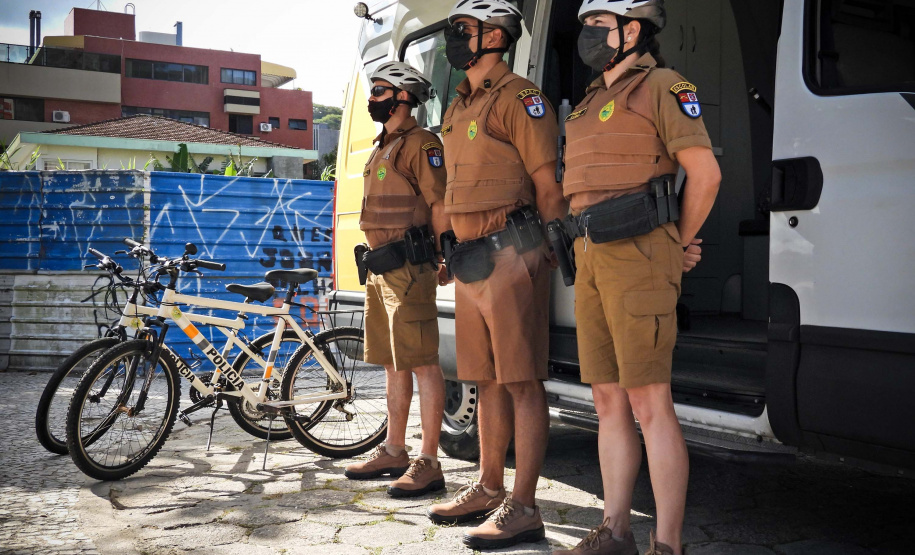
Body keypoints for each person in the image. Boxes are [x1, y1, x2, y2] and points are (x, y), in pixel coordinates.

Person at [553, 1, 720, 554]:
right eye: (585, 27)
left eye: (597, 26)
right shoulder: (586, 105)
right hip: (593, 256)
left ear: (631, 30)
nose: (587, 36)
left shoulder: (664, 86)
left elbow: (705, 173)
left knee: (651, 403)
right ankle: (615, 530)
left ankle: (667, 545)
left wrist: (672, 245)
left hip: (638, 254)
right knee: (607, 401)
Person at [424, 0, 568, 550]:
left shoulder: (521, 100)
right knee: (484, 380)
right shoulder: (458, 104)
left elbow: (547, 185)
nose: (454, 40)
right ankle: (488, 487)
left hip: (512, 254)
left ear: (495, 36)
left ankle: (525, 507)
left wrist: (553, 251)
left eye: (463, 30)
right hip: (466, 260)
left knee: (522, 382)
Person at [344, 61, 452, 499]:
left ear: (405, 97)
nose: (373, 99)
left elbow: (439, 203)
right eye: (373, 91)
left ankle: (429, 460)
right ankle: (394, 449)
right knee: (393, 363)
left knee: (423, 361)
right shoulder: (381, 146)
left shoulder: (422, 143)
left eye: (382, 91)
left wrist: (446, 256)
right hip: (380, 268)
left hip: (410, 267)